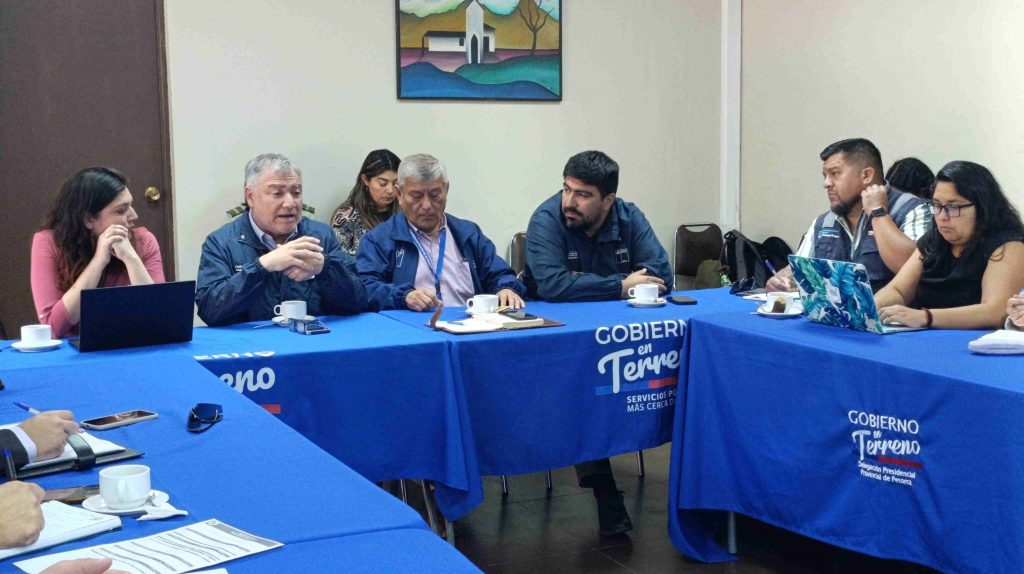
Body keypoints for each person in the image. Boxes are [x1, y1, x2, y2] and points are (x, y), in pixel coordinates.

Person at [523, 150, 672, 536]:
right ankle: (605, 492)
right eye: (566, 189)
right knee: (581, 387)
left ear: (608, 200)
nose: (569, 201)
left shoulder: (629, 217)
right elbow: (553, 285)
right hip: (560, 339)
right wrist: (621, 286)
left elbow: (660, 272)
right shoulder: (546, 219)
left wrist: (594, 286)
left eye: (583, 194)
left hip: (619, 333)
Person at [195, 153, 366, 325]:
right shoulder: (221, 242)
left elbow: (358, 301)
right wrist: (262, 266)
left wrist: (325, 268)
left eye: (296, 193)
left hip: (310, 339)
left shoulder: (321, 236)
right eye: (277, 193)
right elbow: (210, 310)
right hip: (250, 341)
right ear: (250, 197)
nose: (290, 203)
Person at [357, 154, 525, 311]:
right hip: (412, 325)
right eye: (416, 196)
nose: (427, 205)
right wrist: (403, 296)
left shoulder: (467, 234)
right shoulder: (379, 240)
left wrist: (506, 288)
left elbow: (500, 273)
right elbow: (366, 287)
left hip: (469, 322)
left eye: (435, 195)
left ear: (446, 190)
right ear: (399, 194)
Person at [765, 139, 932, 293]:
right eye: (825, 176)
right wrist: (782, 280)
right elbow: (798, 270)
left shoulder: (911, 209)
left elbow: (915, 271)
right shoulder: (825, 222)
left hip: (889, 313)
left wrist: (878, 214)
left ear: (866, 176)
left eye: (835, 173)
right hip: (833, 315)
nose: (826, 183)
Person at [875, 161, 1024, 329]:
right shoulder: (934, 240)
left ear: (983, 208)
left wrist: (926, 317)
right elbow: (898, 290)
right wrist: (873, 306)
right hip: (925, 337)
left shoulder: (1007, 245)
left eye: (953, 207)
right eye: (937, 205)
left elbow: (995, 311)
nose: (942, 217)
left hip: (975, 340)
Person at [31, 168, 165, 338]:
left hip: (133, 342)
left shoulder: (143, 240)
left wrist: (131, 259)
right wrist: (98, 262)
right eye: (121, 210)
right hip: (74, 348)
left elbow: (158, 318)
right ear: (89, 219)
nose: (134, 215)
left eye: (131, 206)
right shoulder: (48, 242)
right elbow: (52, 328)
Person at [330, 149, 402, 256]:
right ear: (365, 180)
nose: (390, 190)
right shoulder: (347, 217)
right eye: (382, 183)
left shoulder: (404, 211)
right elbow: (337, 260)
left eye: (396, 183)